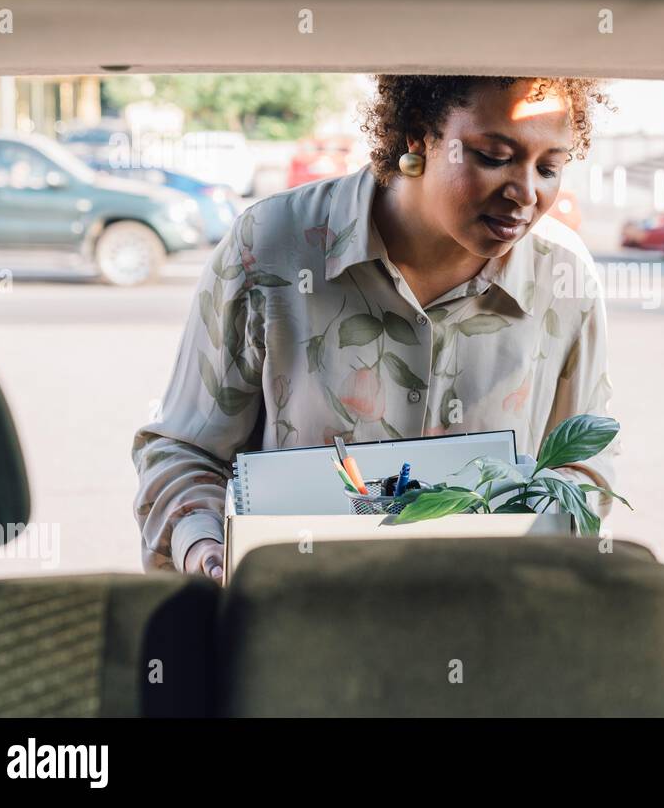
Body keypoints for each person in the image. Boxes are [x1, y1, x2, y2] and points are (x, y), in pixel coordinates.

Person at [133, 76, 620, 581]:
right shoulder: (270, 245)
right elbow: (186, 451)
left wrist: (549, 530)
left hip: (487, 620)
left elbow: (585, 466)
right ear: (418, 134)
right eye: (493, 157)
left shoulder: (564, 277)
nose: (526, 194)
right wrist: (205, 548)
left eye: (549, 168)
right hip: (295, 617)